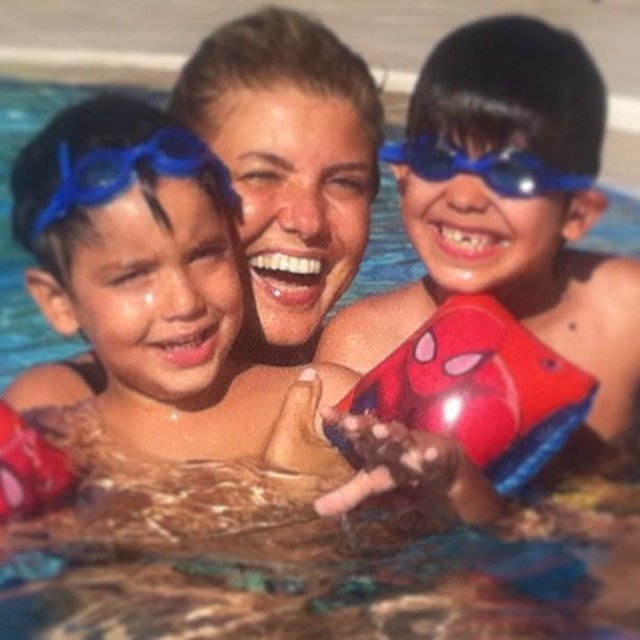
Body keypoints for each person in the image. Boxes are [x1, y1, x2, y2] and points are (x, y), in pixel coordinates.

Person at [1, 93, 503, 525]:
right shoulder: (49, 447)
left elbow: (465, 546)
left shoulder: (323, 405)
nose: (185, 302)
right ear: (59, 303)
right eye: (134, 276)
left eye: (205, 254)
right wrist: (283, 499)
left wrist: (455, 479)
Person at [4, 7, 384, 411]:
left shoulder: (379, 363)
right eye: (261, 175)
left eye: (344, 182)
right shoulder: (65, 412)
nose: (308, 221)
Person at [316, 15, 640, 452]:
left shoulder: (625, 313)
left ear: (577, 213)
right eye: (437, 158)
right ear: (403, 173)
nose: (465, 197)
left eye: (512, 172)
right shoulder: (363, 344)